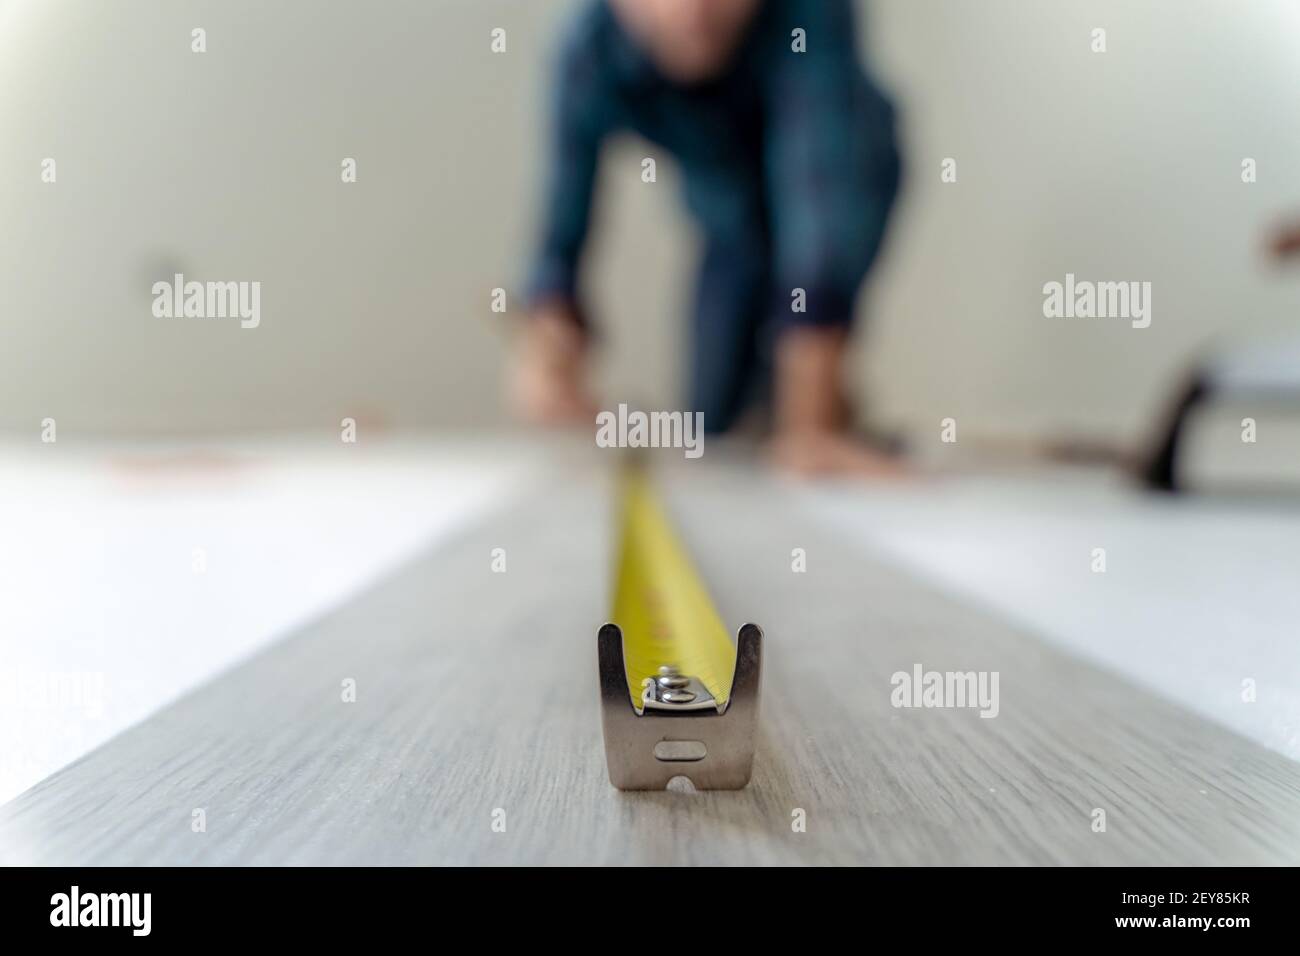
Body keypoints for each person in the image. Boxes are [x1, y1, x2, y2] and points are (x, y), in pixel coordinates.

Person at [512, 0, 902, 474]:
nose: (691, 11)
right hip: (729, 223)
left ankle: (832, 412)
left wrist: (811, 424)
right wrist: (548, 346)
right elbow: (560, 228)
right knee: (711, 429)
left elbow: (819, 218)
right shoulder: (588, 44)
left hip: (850, 181)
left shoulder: (811, 16)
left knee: (802, 421)